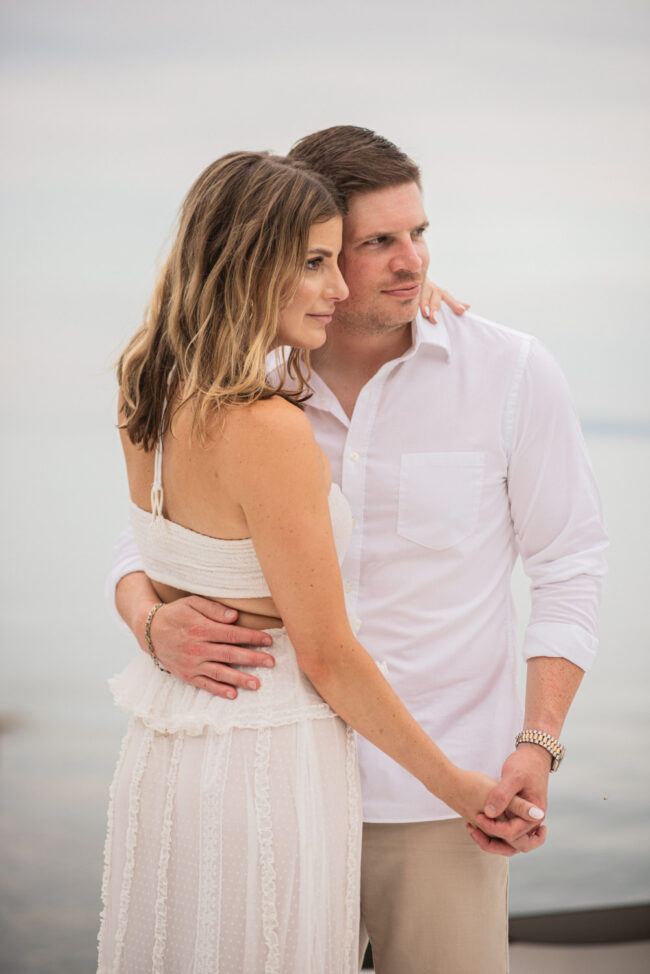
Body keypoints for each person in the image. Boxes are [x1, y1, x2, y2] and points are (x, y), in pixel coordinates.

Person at [109, 129, 607, 973]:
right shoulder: (247, 381)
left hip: (438, 800)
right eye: (375, 243)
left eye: (419, 235)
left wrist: (537, 740)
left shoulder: (511, 373)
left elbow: (569, 564)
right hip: (275, 787)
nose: (409, 262)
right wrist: (149, 623)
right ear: (304, 250)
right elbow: (152, 537)